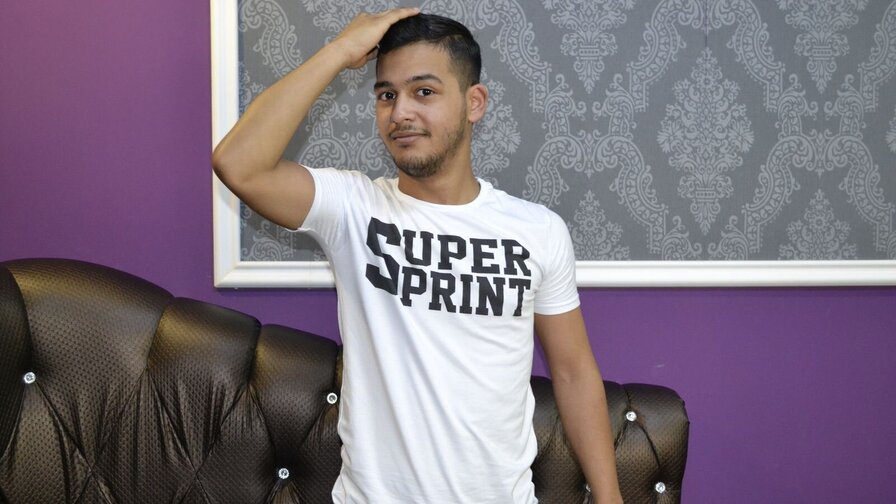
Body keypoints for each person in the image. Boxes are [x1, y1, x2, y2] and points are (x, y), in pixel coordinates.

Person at [213, 9, 623, 504]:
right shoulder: (353, 208)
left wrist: (610, 498)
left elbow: (574, 373)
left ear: (474, 103)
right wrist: (339, 52)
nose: (400, 113)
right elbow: (238, 164)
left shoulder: (538, 230)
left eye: (423, 92)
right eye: (386, 95)